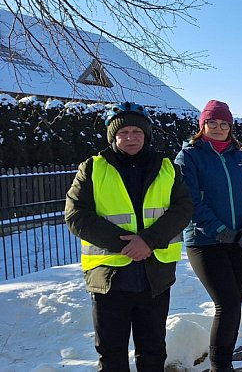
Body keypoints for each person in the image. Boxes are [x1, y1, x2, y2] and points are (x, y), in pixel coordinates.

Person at [64, 102, 193, 371]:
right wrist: (126, 244)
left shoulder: (167, 167)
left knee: (154, 351)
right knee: (111, 354)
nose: (130, 137)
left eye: (137, 131)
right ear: (113, 136)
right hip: (110, 279)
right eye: (123, 133)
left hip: (154, 277)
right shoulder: (91, 168)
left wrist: (148, 240)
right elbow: (75, 215)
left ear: (146, 135)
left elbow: (183, 209)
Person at [174, 100, 242, 371]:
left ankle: (224, 362)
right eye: (211, 122)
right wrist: (219, 230)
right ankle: (220, 366)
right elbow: (190, 202)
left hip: (241, 241)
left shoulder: (241, 157)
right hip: (206, 242)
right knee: (226, 303)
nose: (217, 128)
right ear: (202, 125)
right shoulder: (189, 156)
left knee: (234, 304)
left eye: (224, 123)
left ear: (230, 127)